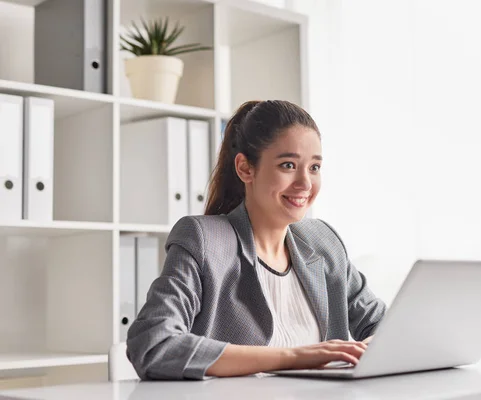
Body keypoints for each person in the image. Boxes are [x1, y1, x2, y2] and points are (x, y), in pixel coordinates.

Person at [126, 100, 387, 380]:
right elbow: (153, 344)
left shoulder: (324, 243)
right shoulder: (204, 241)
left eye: (314, 167)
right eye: (288, 165)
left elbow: (388, 328)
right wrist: (296, 357)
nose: (305, 183)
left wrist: (373, 348)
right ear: (246, 169)